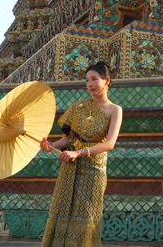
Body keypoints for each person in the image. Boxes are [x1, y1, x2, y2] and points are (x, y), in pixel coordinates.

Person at [40, 61, 122, 247]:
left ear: (106, 80)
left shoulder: (115, 110)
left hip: (93, 169)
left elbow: (110, 143)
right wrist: (51, 145)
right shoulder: (79, 106)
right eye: (87, 80)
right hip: (70, 165)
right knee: (63, 210)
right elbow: (68, 139)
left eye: (94, 79)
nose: (90, 84)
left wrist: (79, 152)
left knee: (87, 216)